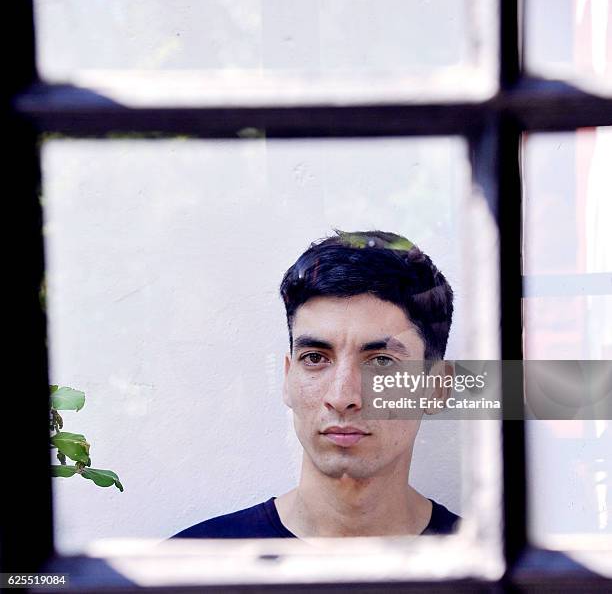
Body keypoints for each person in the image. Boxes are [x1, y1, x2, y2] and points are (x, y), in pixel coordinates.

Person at [171, 230, 460, 539]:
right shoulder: (189, 569)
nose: (341, 397)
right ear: (288, 377)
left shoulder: (496, 570)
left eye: (381, 361)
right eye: (314, 358)